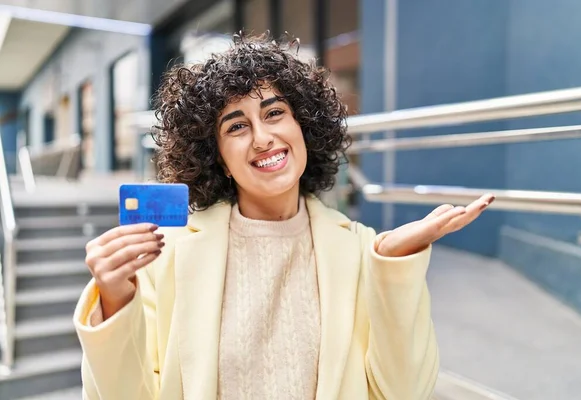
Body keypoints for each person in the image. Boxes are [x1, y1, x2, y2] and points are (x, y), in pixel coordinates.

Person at [73, 33, 494, 400]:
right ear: (216, 158)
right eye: (236, 127)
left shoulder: (362, 250)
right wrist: (114, 302)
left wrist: (395, 267)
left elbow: (405, 393)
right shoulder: (165, 256)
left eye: (275, 113)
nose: (263, 138)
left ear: (303, 127)